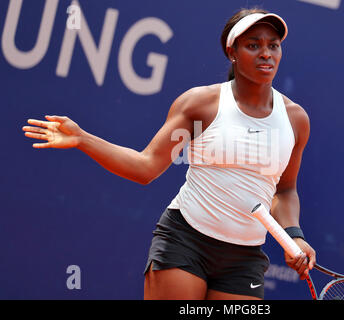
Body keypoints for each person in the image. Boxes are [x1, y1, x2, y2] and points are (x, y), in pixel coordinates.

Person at [22, 8, 316, 300]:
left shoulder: (295, 120)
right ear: (232, 52)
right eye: (253, 45)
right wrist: (82, 139)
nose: (266, 53)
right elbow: (145, 167)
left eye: (273, 45)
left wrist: (294, 234)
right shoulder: (200, 105)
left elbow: (285, 189)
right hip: (185, 241)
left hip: (245, 259)